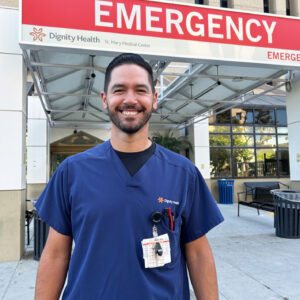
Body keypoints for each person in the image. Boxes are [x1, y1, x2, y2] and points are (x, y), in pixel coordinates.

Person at [34, 53, 224, 300]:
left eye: (141, 90)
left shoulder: (183, 173)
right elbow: (56, 254)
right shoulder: (72, 172)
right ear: (105, 99)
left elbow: (198, 253)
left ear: (154, 99)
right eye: (120, 90)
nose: (130, 99)